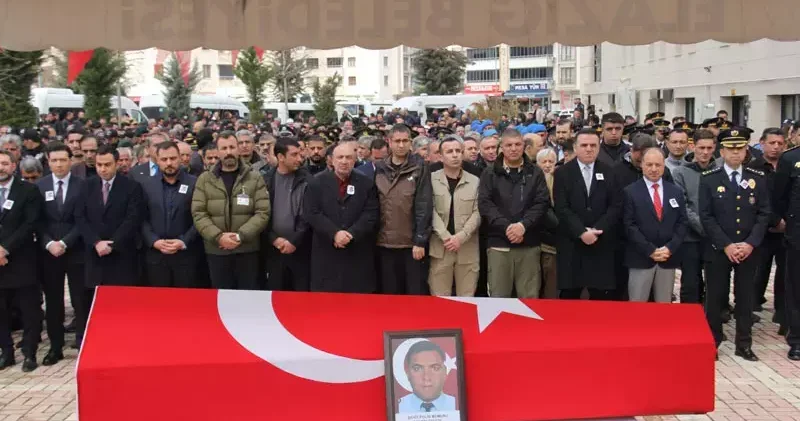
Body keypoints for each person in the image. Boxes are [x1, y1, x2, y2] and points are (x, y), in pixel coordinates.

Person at [700, 129, 770, 361]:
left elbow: (763, 214)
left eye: (740, 148)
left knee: (745, 297)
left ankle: (744, 344)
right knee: (715, 297)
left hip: (748, 249)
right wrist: (727, 245)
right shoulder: (710, 177)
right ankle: (713, 342)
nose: (735, 153)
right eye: (731, 149)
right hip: (719, 249)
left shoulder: (757, 177)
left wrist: (749, 244)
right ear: (722, 151)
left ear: (746, 150)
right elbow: (706, 216)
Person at [75, 145, 143, 340]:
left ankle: (123, 338)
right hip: (94, 254)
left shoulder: (131, 186)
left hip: (121, 255)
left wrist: (113, 243)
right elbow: (80, 217)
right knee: (95, 301)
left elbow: (133, 218)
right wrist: (96, 242)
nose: (103, 169)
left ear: (117, 163)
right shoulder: (86, 186)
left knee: (122, 302)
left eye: (107, 165)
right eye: (99, 165)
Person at [191, 132, 270, 290]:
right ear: (218, 151)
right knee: (221, 299)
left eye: (232, 147)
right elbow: (198, 213)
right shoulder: (205, 179)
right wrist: (218, 237)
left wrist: (240, 236)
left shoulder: (254, 178)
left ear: (238, 149)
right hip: (216, 250)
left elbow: (263, 212)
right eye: (224, 148)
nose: (228, 152)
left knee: (247, 297)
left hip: (247, 250)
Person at [478, 128, 550, 298]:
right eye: (509, 145)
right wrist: (508, 227)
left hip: (529, 244)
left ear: (524, 146)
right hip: (499, 244)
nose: (513, 148)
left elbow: (541, 203)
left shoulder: (535, 172)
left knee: (529, 298)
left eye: (518, 144)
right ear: (501, 147)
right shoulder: (489, 173)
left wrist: (523, 226)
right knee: (499, 298)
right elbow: (486, 204)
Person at [554, 128, 622, 300]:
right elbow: (561, 207)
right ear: (575, 148)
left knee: (601, 298)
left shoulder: (610, 172)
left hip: (601, 243)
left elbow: (615, 206)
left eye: (593, 145)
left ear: (598, 147)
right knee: (570, 297)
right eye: (584, 145)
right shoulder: (562, 173)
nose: (589, 149)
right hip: (572, 244)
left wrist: (597, 230)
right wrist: (581, 232)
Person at [36, 142, 87, 366]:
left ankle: (82, 344)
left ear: (70, 161)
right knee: (54, 301)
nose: (59, 164)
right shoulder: (39, 186)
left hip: (76, 251)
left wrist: (66, 242)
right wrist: (49, 243)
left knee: (79, 300)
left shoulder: (83, 185)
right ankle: (55, 347)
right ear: (48, 162)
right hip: (49, 254)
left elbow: (84, 219)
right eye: (54, 160)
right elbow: (36, 220)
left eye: (63, 160)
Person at [303, 142, 379, 292]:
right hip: (326, 251)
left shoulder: (366, 183)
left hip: (357, 251)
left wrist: (351, 234)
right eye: (340, 157)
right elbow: (312, 213)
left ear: (355, 159)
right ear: (331, 160)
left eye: (349, 157)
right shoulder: (316, 182)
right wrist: (334, 233)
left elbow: (371, 213)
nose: (344, 161)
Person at [623, 148, 688, 302]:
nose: (653, 169)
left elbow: (682, 222)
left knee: (663, 307)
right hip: (641, 258)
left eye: (658, 165)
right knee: (637, 306)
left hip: (667, 258)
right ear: (642, 165)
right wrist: (650, 249)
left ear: (663, 166)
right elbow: (628, 225)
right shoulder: (630, 192)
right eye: (649, 164)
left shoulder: (675, 191)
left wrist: (670, 248)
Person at [374, 124, 432, 295]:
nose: (401, 145)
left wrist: (420, 240)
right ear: (389, 142)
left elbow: (424, 205)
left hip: (411, 244)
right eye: (397, 141)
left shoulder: (420, 167)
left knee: (414, 293)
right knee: (390, 293)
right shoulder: (379, 168)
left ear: (410, 143)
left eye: (405, 141)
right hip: (384, 242)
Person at [0, 151, 43, 372]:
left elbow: (30, 223)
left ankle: (29, 352)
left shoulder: (28, 190)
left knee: (29, 310)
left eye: (5, 164)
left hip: (22, 259)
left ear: (14, 166)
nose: (1, 168)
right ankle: (6, 353)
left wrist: (5, 248)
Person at [140, 142, 199, 288]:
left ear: (180, 158)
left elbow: (200, 217)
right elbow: (141, 218)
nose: (169, 163)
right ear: (157, 160)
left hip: (186, 256)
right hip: (156, 257)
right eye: (164, 159)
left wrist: (184, 241)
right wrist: (153, 241)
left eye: (173, 158)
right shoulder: (146, 185)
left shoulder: (195, 184)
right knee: (159, 305)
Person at [428, 136, 481, 296]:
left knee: (467, 299)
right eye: (449, 151)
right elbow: (428, 209)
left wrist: (461, 236)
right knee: (440, 300)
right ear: (441, 156)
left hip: (467, 248)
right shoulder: (430, 179)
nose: (455, 155)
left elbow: (478, 212)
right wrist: (445, 236)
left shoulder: (475, 181)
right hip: (440, 247)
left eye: (458, 151)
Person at [747, 128, 787, 330]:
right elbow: (755, 201)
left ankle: (782, 313)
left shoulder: (788, 166)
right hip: (762, 229)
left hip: (787, 229)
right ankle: (751, 309)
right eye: (772, 143)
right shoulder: (753, 168)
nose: (776, 147)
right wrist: (773, 220)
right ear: (762, 143)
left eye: (780, 143)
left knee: (785, 272)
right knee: (759, 270)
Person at [671, 129, 717, 304]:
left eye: (709, 148)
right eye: (701, 147)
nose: (705, 152)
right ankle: (688, 320)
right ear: (692, 147)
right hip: (690, 237)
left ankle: (713, 317)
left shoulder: (719, 170)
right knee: (691, 282)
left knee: (715, 282)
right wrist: (703, 226)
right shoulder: (680, 173)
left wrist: (713, 230)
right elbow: (682, 205)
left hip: (715, 237)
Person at [261, 137, 311, 291]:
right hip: (274, 250)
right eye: (294, 155)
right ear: (281, 157)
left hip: (301, 250)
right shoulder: (265, 180)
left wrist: (294, 241)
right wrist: (274, 239)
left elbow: (309, 214)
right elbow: (260, 214)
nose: (299, 159)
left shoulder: (308, 180)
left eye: (300, 154)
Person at [771, 128, 800, 360]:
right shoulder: (790, 159)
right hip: (797, 234)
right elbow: (778, 196)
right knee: (796, 287)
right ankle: (797, 339)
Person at [396, 341, 456, 413]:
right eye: (417, 368)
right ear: (407, 373)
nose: (426, 377)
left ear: (445, 372)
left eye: (435, 368)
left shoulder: (457, 405)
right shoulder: (398, 407)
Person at [536, 148, 559, 299]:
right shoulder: (534, 182)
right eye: (544, 161)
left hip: (553, 244)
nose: (547, 165)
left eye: (551, 161)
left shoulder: (560, 181)